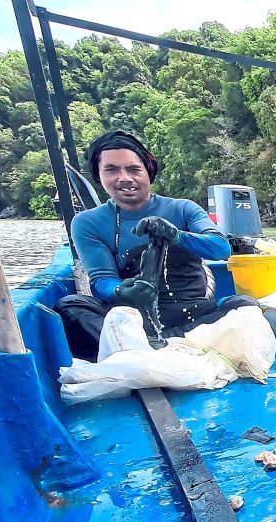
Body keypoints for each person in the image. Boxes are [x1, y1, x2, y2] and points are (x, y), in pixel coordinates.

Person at [55, 130, 257, 361]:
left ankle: (144, 353)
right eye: (111, 170)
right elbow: (102, 279)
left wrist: (177, 236)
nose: (124, 178)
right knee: (70, 307)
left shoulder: (183, 208)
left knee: (244, 306)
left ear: (148, 172)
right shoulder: (87, 222)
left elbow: (221, 248)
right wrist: (121, 290)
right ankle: (153, 350)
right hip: (131, 321)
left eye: (133, 169)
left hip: (193, 317)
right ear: (99, 175)